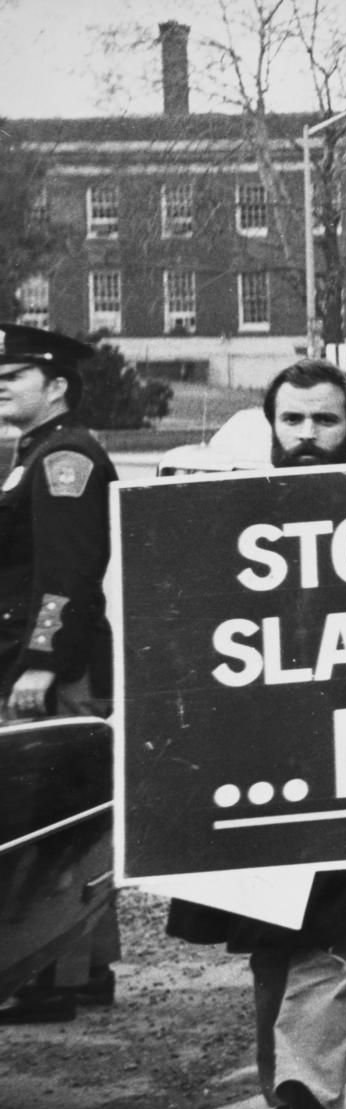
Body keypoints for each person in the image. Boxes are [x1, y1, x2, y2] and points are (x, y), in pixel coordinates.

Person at [167, 360, 346, 1109]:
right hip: (255, 766)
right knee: (270, 944)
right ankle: (287, 1093)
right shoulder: (222, 514)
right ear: (271, 424)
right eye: (294, 421)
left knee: (331, 939)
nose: (308, 438)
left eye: (326, 422)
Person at [0, 323, 120, 1026]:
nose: (2, 384)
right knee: (63, 812)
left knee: (56, 815)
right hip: (36, 659)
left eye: (15, 374)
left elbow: (67, 577)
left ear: (56, 386)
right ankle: (78, 969)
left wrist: (41, 662)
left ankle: (61, 975)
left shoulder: (63, 458)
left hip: (50, 667)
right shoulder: (39, 452)